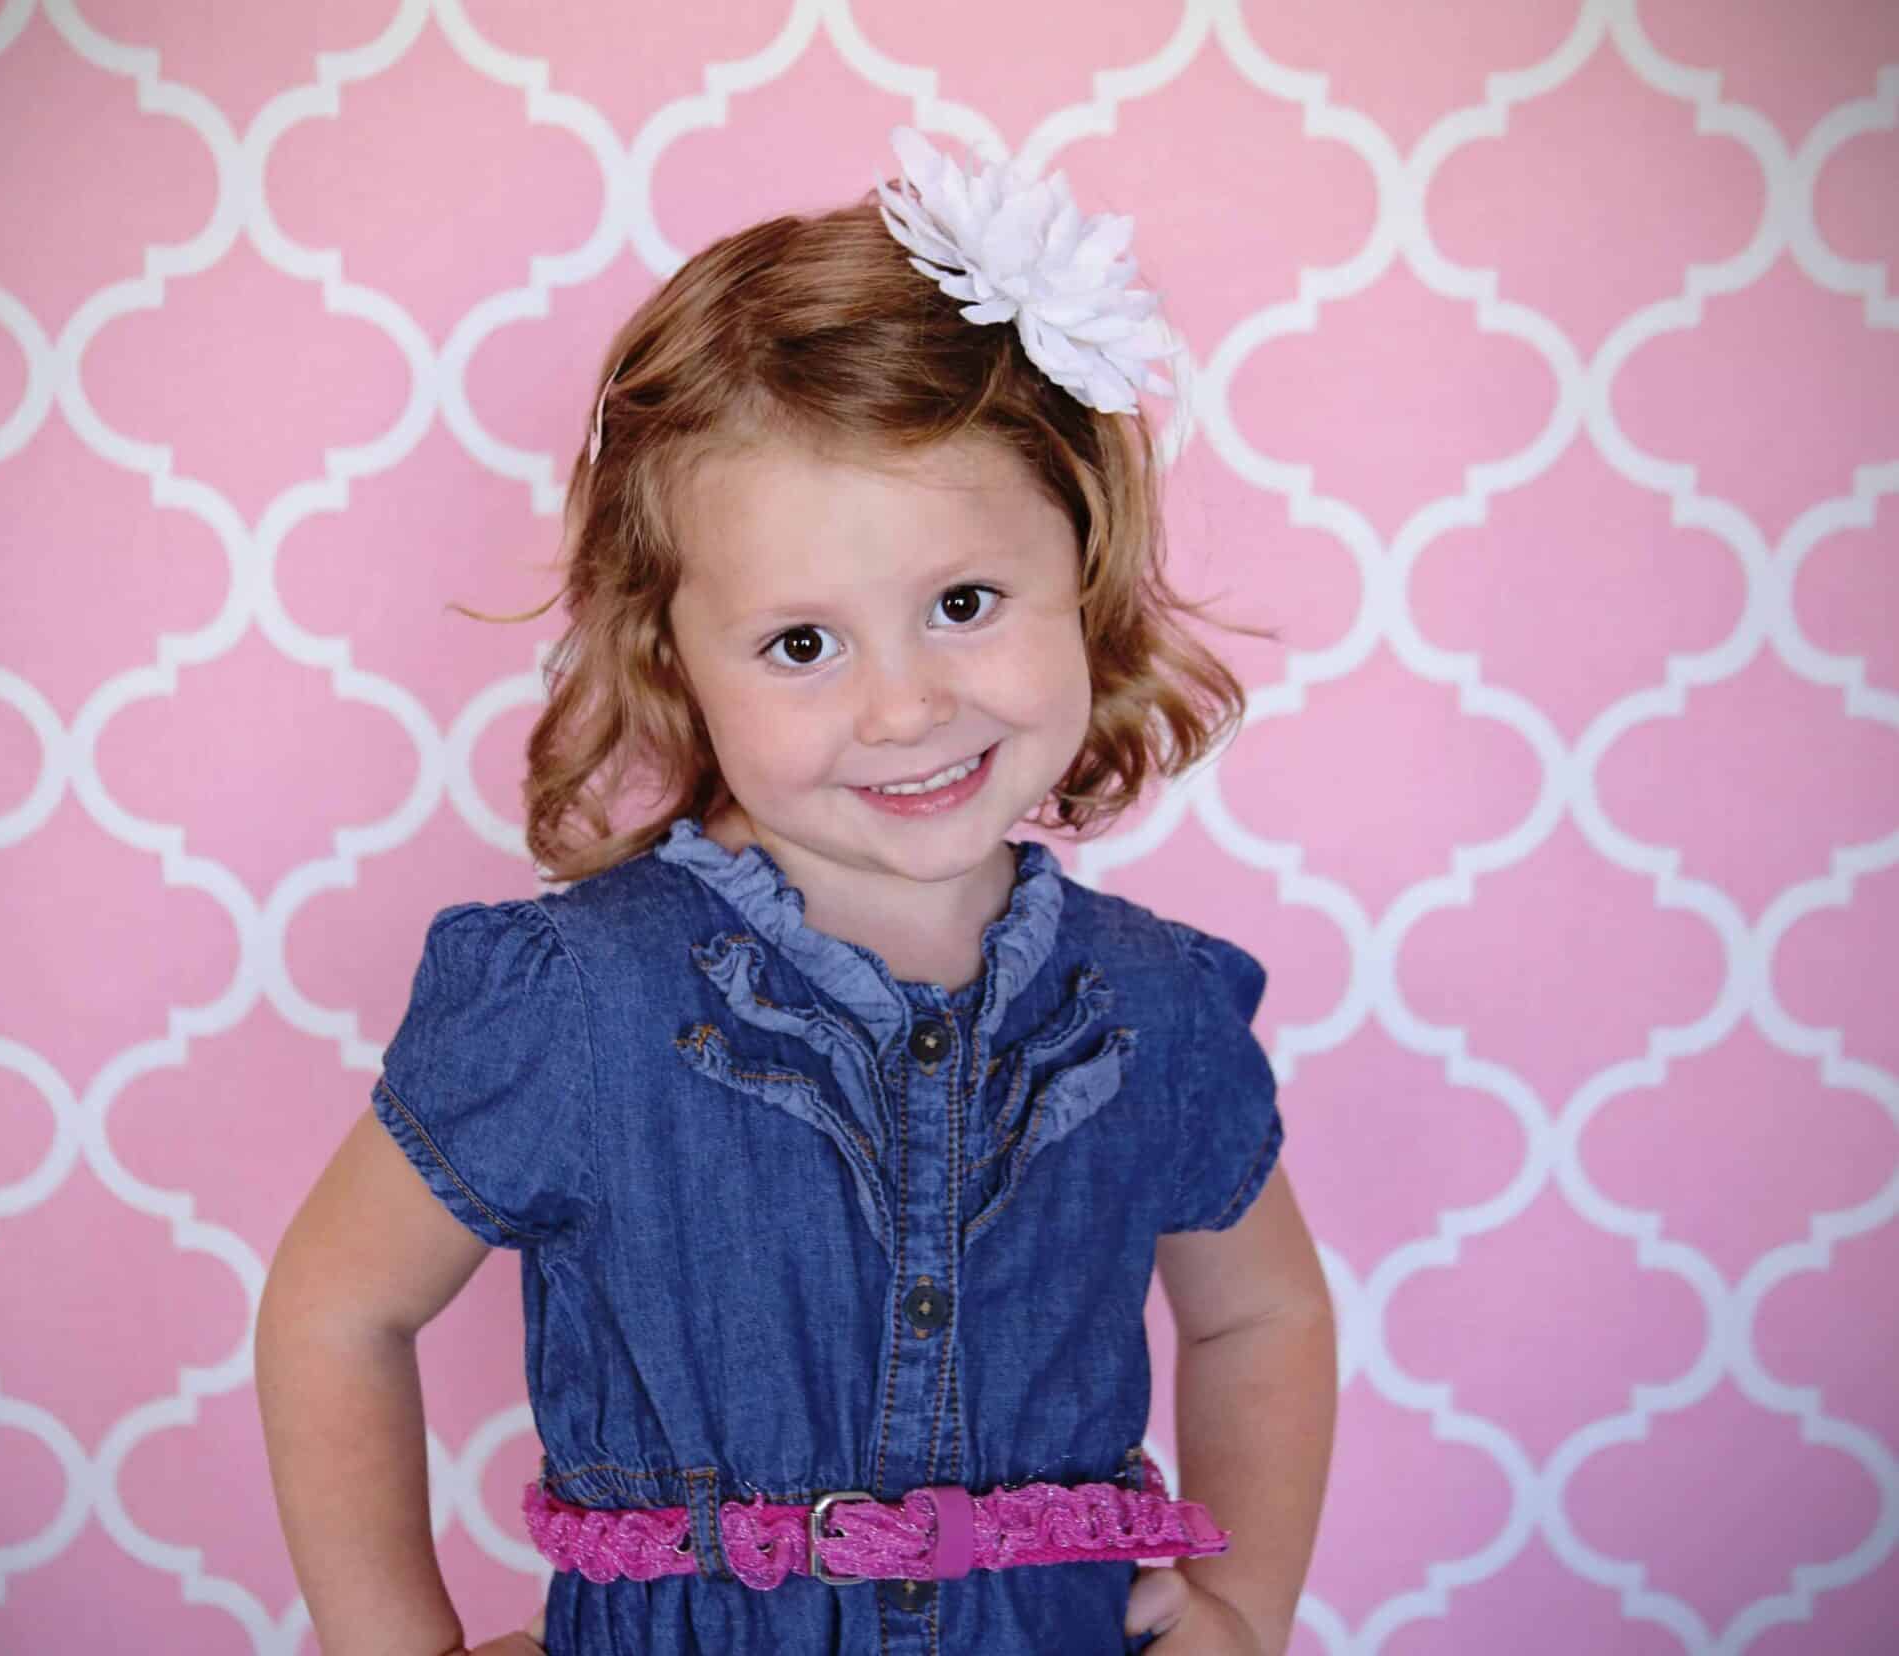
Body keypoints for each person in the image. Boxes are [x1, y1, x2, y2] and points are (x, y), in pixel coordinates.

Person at [257, 127, 1336, 1656]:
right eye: (802, 644)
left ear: (1083, 576)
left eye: (962, 605)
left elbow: (1258, 1312)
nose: (903, 710)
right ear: (671, 659)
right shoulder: (579, 1003)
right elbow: (332, 1311)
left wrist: (1247, 1606)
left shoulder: (1155, 1006)